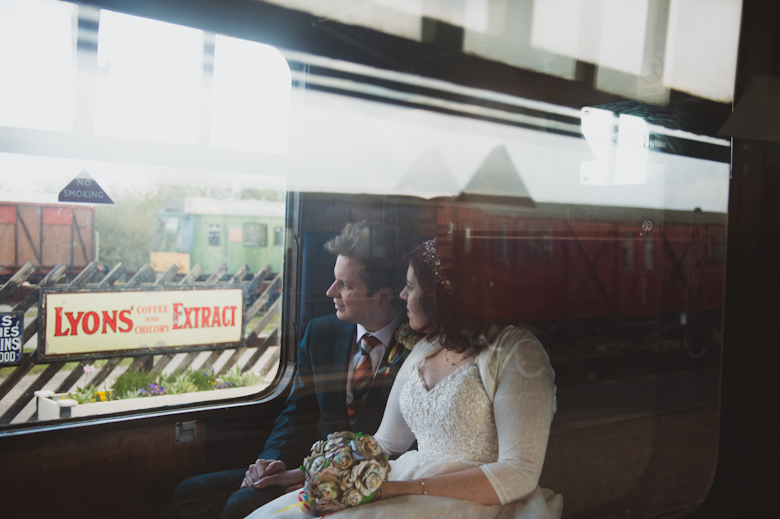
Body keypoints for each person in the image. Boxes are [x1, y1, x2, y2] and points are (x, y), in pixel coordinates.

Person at [243, 237, 562, 519]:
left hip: (474, 498)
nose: (401, 294)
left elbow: (519, 472)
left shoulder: (516, 352)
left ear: (439, 297)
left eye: (410, 287)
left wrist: (399, 489)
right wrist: (309, 474)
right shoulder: (425, 347)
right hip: (407, 479)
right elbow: (384, 442)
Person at [173, 221, 414, 519]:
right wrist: (271, 461)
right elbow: (298, 412)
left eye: (345, 285)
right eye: (334, 279)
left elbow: (401, 444)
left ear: (383, 295)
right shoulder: (320, 333)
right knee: (190, 493)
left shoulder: (417, 347)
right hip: (304, 464)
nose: (330, 292)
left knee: (239, 506)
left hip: (373, 479)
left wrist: (315, 478)